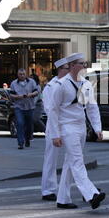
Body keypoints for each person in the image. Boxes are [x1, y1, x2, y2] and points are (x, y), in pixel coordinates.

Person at [51, 53, 106, 210]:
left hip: (81, 126)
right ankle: (92, 195)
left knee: (70, 162)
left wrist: (97, 128)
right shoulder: (60, 85)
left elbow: (92, 108)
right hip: (67, 127)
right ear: (73, 65)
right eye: (82, 63)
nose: (85, 66)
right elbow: (53, 111)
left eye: (85, 63)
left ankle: (62, 199)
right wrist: (55, 134)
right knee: (77, 161)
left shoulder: (87, 84)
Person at [41, 58, 70, 202]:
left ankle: (84, 189)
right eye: (66, 68)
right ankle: (48, 190)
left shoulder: (70, 84)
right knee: (51, 159)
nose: (69, 71)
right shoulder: (50, 87)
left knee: (75, 159)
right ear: (60, 70)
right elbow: (49, 109)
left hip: (68, 125)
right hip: (54, 125)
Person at [10, 69, 38, 150]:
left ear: (26, 74)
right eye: (20, 74)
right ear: (17, 75)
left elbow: (36, 92)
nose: (22, 75)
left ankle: (27, 139)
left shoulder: (32, 82)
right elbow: (11, 94)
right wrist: (18, 97)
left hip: (30, 106)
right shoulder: (14, 83)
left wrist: (31, 94)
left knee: (29, 125)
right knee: (20, 123)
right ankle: (20, 143)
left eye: (23, 74)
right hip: (19, 107)